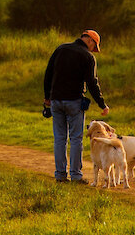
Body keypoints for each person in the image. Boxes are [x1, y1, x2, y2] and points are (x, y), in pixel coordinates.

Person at [42, 29, 109, 183]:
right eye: (94, 47)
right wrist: (102, 104)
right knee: (76, 139)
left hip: (56, 101)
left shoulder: (61, 49)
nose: (93, 50)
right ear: (91, 40)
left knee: (59, 139)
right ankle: (76, 176)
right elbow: (92, 83)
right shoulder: (87, 56)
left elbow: (48, 73)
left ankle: (60, 175)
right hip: (74, 102)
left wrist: (47, 97)